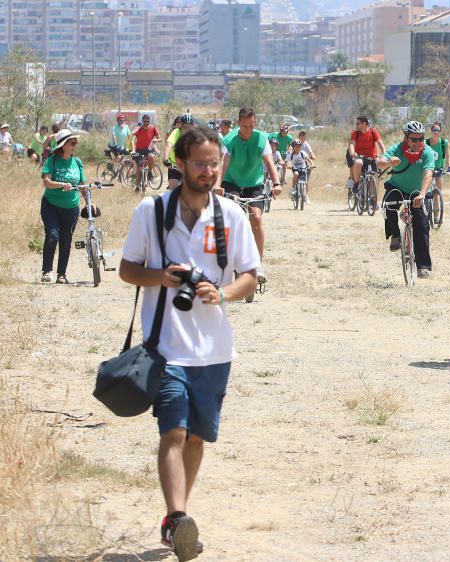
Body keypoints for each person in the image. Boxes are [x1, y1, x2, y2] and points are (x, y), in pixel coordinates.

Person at [118, 125, 259, 562]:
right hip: (165, 347)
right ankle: (178, 517)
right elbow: (126, 269)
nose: (208, 171)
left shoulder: (231, 215)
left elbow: (250, 278)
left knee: (197, 437)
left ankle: (177, 517)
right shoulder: (151, 211)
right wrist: (160, 277)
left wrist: (223, 293)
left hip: (215, 350)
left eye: (213, 163)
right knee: (173, 430)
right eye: (199, 163)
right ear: (180, 164)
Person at [220, 107, 282, 284]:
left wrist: (276, 183)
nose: (249, 130)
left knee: (256, 218)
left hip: (254, 184)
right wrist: (217, 185)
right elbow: (224, 164)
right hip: (231, 183)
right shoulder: (229, 139)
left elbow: (269, 162)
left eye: (252, 126)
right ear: (238, 123)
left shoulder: (261, 138)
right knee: (234, 218)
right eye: (246, 126)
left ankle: (258, 264)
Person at [376, 121, 436, 278]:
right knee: (388, 205)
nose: (417, 143)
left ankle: (423, 266)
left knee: (422, 225)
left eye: (420, 139)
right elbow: (380, 162)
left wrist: (422, 194)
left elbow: (428, 174)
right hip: (397, 187)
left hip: (417, 192)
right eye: (413, 139)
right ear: (406, 139)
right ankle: (395, 235)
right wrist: (389, 162)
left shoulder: (427, 152)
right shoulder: (397, 149)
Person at [39, 129, 86, 284]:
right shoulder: (52, 161)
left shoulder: (77, 162)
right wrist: (61, 184)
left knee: (66, 240)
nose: (75, 145)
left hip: (71, 207)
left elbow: (82, 185)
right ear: (63, 145)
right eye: (72, 143)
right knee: (53, 236)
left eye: (75, 143)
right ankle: (47, 271)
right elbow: (46, 182)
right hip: (51, 205)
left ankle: (62, 274)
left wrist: (89, 202)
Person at [347, 116, 385, 198]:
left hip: (372, 157)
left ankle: (373, 199)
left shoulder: (373, 131)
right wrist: (353, 153)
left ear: (364, 124)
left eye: (358, 123)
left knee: (375, 176)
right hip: (360, 157)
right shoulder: (355, 133)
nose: (356, 125)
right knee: (358, 162)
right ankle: (356, 184)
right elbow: (351, 144)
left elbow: (380, 143)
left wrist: (385, 154)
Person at [165, 114, 198, 190]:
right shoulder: (176, 132)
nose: (187, 129)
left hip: (188, 166)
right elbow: (168, 145)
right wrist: (166, 159)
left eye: (190, 127)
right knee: (174, 190)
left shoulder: (196, 134)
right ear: (181, 126)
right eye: (185, 127)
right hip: (174, 165)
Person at [131, 114, 162, 182]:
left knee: (151, 157)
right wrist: (133, 150)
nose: (146, 123)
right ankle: (138, 186)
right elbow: (133, 140)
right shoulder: (139, 129)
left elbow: (160, 138)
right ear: (142, 121)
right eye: (144, 122)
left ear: (149, 121)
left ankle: (149, 173)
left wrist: (156, 140)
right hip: (139, 150)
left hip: (149, 149)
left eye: (148, 121)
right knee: (139, 169)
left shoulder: (153, 128)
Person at [427, 122, 450, 192]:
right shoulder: (426, 143)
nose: (436, 132)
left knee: (438, 191)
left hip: (439, 168)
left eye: (438, 130)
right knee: (427, 191)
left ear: (440, 131)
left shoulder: (444, 143)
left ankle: (437, 201)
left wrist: (449, 167)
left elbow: (448, 156)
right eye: (434, 130)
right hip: (428, 168)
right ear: (431, 131)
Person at [286, 139, 313, 203]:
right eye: (296, 147)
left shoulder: (302, 153)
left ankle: (306, 196)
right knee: (296, 174)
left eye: (299, 146)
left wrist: (312, 164)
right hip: (295, 168)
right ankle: (293, 188)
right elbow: (287, 161)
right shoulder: (291, 154)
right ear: (293, 147)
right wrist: (288, 165)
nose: (298, 148)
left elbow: (308, 159)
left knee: (305, 182)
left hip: (303, 168)